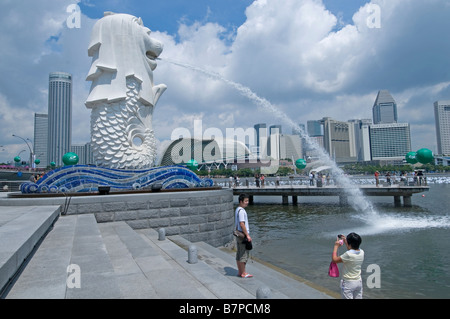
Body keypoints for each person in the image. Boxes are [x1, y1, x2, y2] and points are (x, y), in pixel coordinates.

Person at [331, 232, 365, 299]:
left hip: (348, 283)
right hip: (358, 281)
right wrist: (346, 241)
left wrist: (336, 246)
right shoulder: (362, 252)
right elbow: (351, 250)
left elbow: (334, 260)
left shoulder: (348, 255)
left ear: (350, 244)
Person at [235, 193, 253, 278]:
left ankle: (240, 271)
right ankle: (243, 273)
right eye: (245, 201)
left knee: (239, 254)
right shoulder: (242, 211)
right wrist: (248, 235)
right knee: (243, 254)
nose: (247, 202)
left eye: (248, 201)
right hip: (242, 235)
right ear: (241, 201)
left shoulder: (237, 209)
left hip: (238, 234)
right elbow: (242, 224)